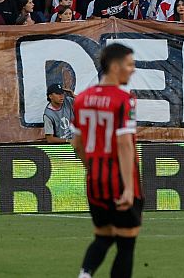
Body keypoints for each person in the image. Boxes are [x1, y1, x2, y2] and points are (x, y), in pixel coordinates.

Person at [73, 43, 141, 278]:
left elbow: (76, 143)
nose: (133, 70)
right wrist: (130, 188)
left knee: (103, 235)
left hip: (95, 180)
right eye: (130, 64)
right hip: (119, 179)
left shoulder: (82, 98)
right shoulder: (124, 99)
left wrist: (90, 168)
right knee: (126, 242)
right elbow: (124, 143)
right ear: (114, 66)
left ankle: (85, 274)